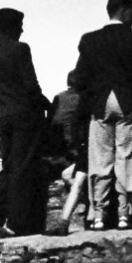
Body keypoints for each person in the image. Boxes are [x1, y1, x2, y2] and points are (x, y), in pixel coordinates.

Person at [71, 0, 132, 231]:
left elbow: (80, 78)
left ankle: (98, 215)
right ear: (125, 11)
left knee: (100, 161)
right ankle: (124, 215)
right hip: (129, 103)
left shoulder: (89, 39)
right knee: (127, 159)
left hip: (99, 105)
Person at [0, 8, 50, 238]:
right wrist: (47, 105)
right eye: (20, 24)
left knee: (10, 165)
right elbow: (30, 85)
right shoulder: (20, 48)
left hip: (1, 117)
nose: (22, 29)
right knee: (24, 168)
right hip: (24, 114)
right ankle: (17, 223)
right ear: (13, 26)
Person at [48, 71, 90, 236]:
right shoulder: (85, 99)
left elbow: (51, 123)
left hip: (66, 149)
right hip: (81, 148)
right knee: (75, 178)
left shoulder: (59, 98)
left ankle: (65, 222)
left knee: (73, 178)